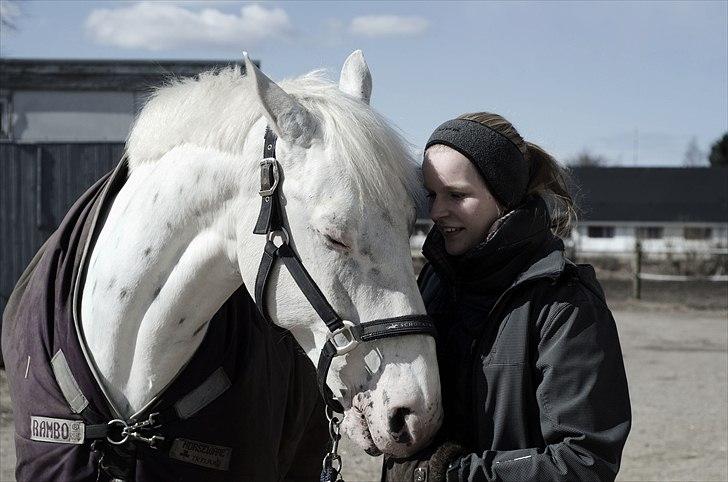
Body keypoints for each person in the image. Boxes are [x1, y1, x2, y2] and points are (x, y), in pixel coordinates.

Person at [382, 112, 631, 482]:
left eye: (457, 195)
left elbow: (583, 460)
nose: (436, 212)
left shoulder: (564, 305)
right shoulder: (433, 278)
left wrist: (450, 476)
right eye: (431, 195)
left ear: (504, 196)